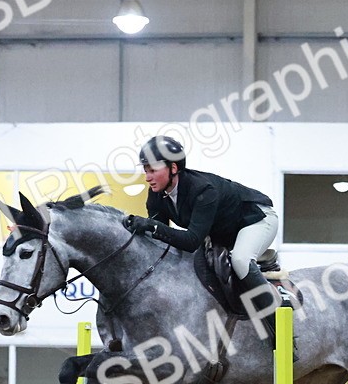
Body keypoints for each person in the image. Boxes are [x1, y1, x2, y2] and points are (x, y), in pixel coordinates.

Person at [123, 135, 289, 352]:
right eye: (145, 170)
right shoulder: (157, 196)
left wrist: (152, 226)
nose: (147, 177)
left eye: (152, 170)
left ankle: (280, 328)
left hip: (257, 220)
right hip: (223, 231)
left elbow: (191, 240)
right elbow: (160, 245)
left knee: (239, 259)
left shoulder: (202, 189)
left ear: (173, 167)